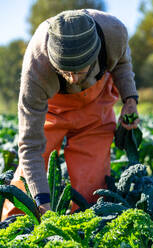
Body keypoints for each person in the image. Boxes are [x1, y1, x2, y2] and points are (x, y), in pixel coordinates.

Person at [2, 9, 139, 220]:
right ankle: (13, 227)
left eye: (79, 71)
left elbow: (122, 63)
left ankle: (87, 229)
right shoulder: (36, 67)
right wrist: (41, 202)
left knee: (91, 189)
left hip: (96, 108)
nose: (73, 80)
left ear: (95, 57)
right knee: (25, 193)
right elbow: (30, 147)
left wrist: (130, 100)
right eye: (66, 72)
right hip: (53, 111)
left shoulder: (114, 32)